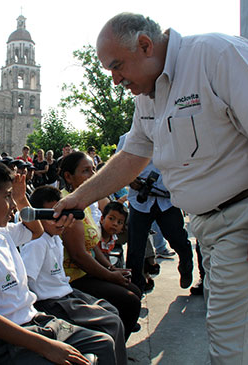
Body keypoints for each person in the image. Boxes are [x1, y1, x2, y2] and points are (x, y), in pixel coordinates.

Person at [54, 13, 248, 365]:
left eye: (117, 66)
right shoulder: (148, 91)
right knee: (230, 333)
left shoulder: (216, 56)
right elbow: (133, 155)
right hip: (212, 223)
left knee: (231, 344)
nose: (114, 80)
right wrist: (77, 198)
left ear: (145, 45)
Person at [0, 158, 116, 364]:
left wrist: (21, 198)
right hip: (7, 342)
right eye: (8, 197)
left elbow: (35, 231)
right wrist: (46, 346)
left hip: (32, 321)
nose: (13, 206)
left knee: (103, 342)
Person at [20, 186, 127, 365]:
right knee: (111, 324)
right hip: (52, 303)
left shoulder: (55, 238)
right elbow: (26, 283)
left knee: (112, 311)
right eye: (51, 217)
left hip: (66, 294)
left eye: (62, 215)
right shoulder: (36, 244)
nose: (58, 221)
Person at [60, 151, 142, 340]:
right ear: (68, 176)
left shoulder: (84, 202)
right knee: (130, 301)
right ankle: (112, 350)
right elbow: (79, 255)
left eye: (94, 169)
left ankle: (115, 345)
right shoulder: (68, 204)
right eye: (86, 171)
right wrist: (110, 276)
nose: (93, 175)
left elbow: (93, 245)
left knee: (135, 289)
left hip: (86, 271)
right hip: (71, 278)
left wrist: (111, 268)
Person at [126, 161, 194, 292]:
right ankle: (135, 290)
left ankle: (186, 265)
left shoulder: (173, 140)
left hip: (167, 201)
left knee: (178, 239)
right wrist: (130, 180)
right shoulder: (127, 140)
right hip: (139, 202)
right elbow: (120, 166)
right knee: (136, 249)